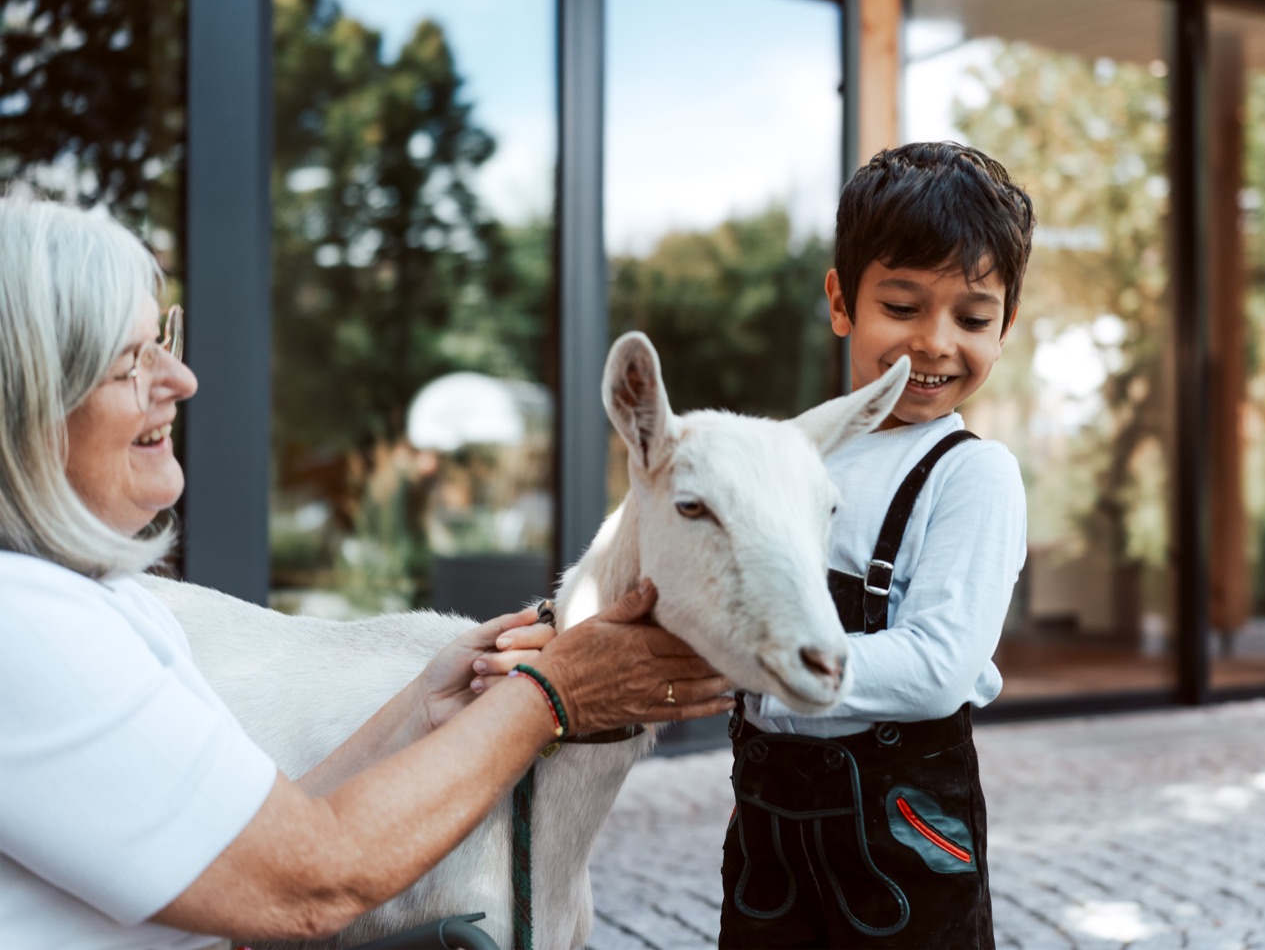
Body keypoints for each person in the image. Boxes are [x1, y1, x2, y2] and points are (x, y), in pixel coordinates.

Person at [0, 189, 736, 950]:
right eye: (132, 361)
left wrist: (425, 706)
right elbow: (305, 882)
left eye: (165, 338)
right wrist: (554, 695)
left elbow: (255, 838)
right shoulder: (27, 630)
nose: (181, 379)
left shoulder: (89, 598)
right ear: (27, 402)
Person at [718, 141, 1032, 948]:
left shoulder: (973, 474)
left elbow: (938, 666)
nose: (935, 342)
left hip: (903, 836)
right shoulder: (791, 453)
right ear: (841, 302)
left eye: (972, 318)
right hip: (768, 835)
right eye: (901, 306)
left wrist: (767, 665)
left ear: (1006, 327)